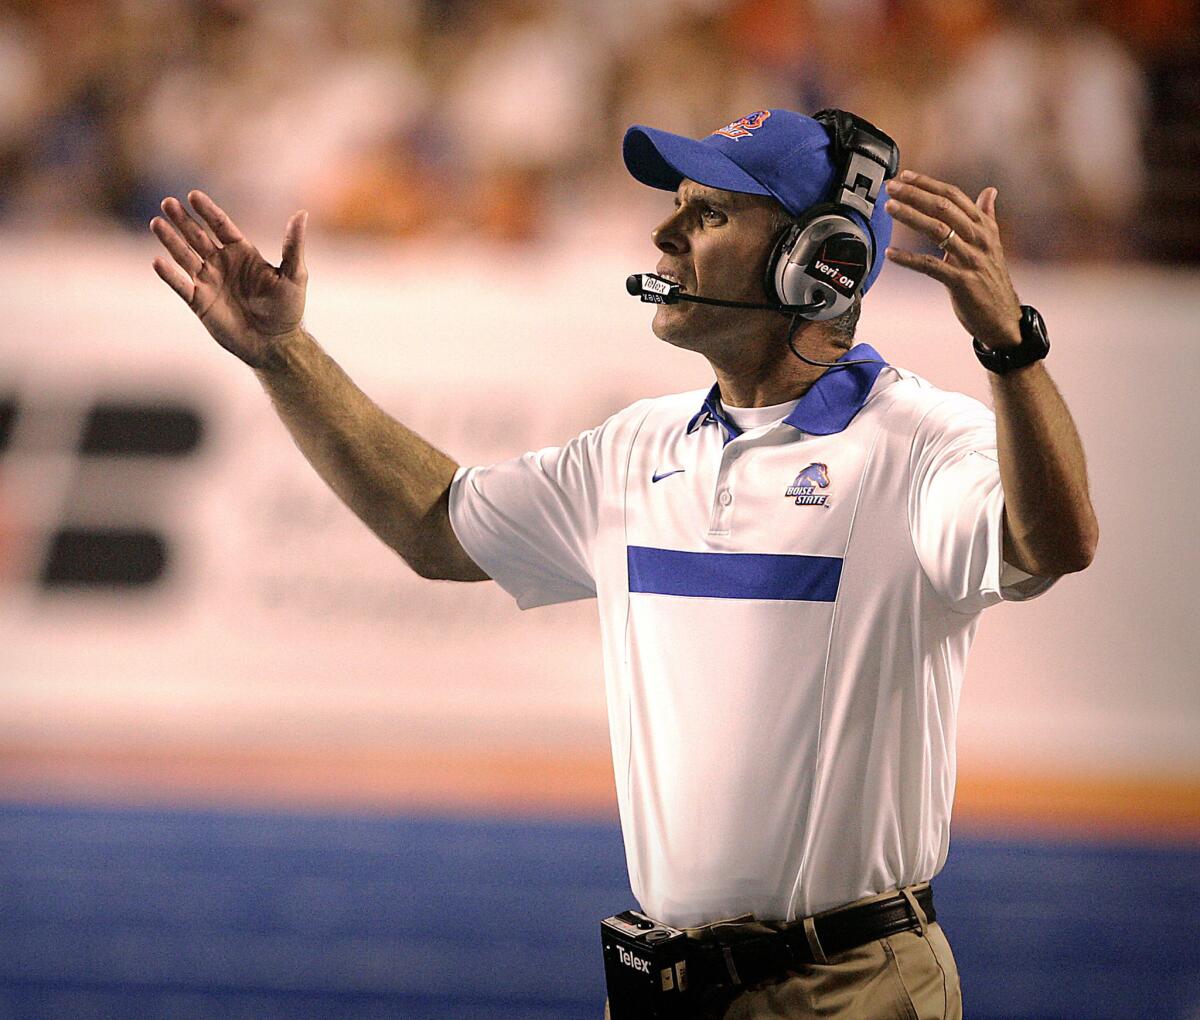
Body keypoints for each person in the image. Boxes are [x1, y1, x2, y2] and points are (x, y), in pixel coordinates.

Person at [149, 106, 1097, 1020]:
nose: (665, 232)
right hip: (666, 989)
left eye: (709, 212)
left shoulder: (923, 444)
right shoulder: (636, 449)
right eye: (678, 205)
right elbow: (436, 525)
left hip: (846, 989)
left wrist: (1011, 350)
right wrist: (283, 354)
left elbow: (1054, 542)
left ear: (821, 265)